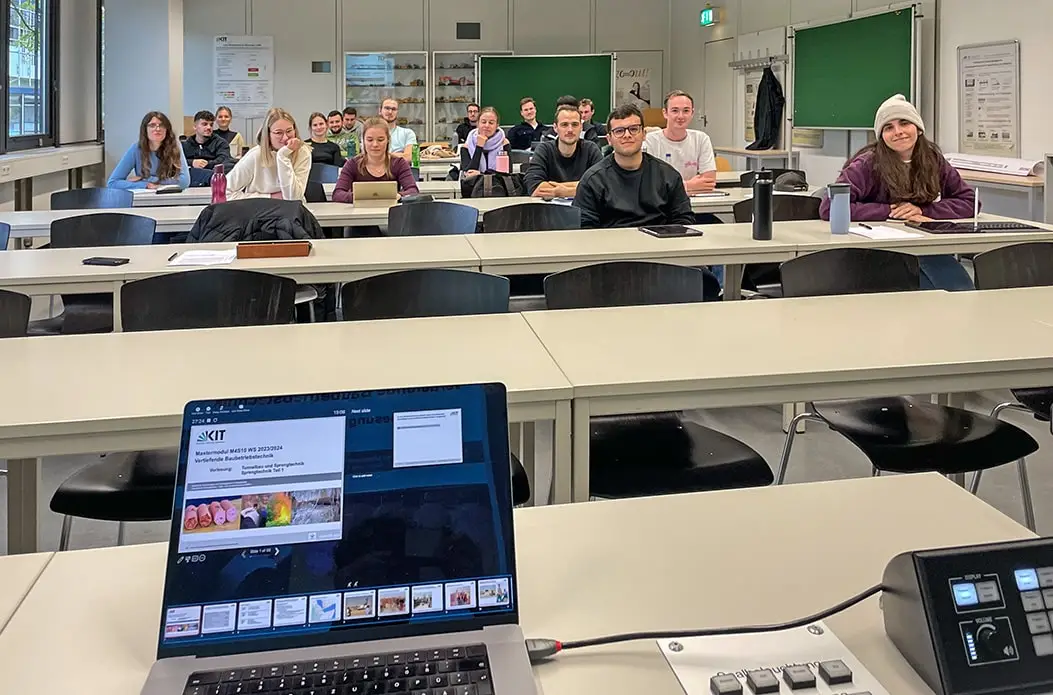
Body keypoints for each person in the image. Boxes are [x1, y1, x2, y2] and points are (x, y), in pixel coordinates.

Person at [820, 94, 975, 291]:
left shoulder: (933, 159)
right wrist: (888, 211)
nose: (898, 132)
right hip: (873, 251)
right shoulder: (867, 164)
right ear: (881, 136)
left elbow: (969, 201)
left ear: (918, 129)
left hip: (921, 245)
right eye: (889, 127)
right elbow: (830, 207)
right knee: (936, 289)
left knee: (957, 288)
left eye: (904, 123)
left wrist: (923, 211)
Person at [573, 103, 693, 229]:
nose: (627, 135)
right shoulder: (593, 180)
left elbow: (683, 220)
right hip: (612, 245)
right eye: (619, 131)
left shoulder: (668, 175)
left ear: (644, 134)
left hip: (658, 245)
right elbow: (584, 227)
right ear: (609, 139)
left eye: (634, 129)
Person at [224, 107, 311, 201]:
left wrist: (282, 156)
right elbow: (225, 193)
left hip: (292, 212)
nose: (286, 137)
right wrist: (270, 197)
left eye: (289, 131)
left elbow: (293, 198)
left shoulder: (302, 152)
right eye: (278, 133)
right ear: (268, 135)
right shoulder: (255, 155)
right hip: (260, 211)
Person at [644, 90, 717, 194]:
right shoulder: (650, 141)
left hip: (693, 202)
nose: (681, 116)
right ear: (665, 113)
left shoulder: (701, 139)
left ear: (692, 113)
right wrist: (689, 185)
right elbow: (648, 183)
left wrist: (670, 187)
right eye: (675, 111)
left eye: (686, 111)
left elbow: (709, 182)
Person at [331, 117, 419, 203]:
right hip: (360, 214)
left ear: (388, 140)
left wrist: (398, 196)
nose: (375, 144)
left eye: (380, 140)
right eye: (369, 140)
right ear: (363, 141)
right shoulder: (352, 164)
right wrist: (358, 196)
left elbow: (413, 190)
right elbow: (337, 194)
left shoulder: (399, 163)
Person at [524, 104, 603, 198]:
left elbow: (601, 186)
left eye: (574, 124)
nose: (570, 130)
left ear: (581, 127)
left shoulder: (591, 149)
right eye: (564, 125)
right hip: (551, 210)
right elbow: (535, 188)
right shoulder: (544, 150)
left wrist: (561, 192)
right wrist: (582, 187)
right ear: (555, 128)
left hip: (583, 210)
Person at [107, 111, 191, 190]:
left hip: (171, 198)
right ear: (145, 129)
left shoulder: (175, 146)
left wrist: (147, 179)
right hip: (145, 198)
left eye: (161, 125)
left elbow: (184, 182)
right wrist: (145, 185)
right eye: (152, 125)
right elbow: (113, 183)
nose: (157, 129)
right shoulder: (136, 149)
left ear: (167, 129)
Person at [460, 106, 511, 195]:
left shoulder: (504, 144)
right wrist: (479, 147)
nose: (487, 126)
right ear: (478, 124)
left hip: (498, 191)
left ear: (497, 126)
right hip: (473, 193)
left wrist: (481, 175)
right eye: (483, 122)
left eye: (491, 123)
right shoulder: (467, 146)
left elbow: (506, 175)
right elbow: (469, 177)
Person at [181, 110, 237, 186]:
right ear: (195, 126)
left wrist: (206, 164)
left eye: (211, 125)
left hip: (215, 180)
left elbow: (223, 159)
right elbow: (176, 162)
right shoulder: (185, 145)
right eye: (204, 124)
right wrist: (192, 162)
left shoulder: (221, 143)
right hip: (192, 182)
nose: (209, 127)